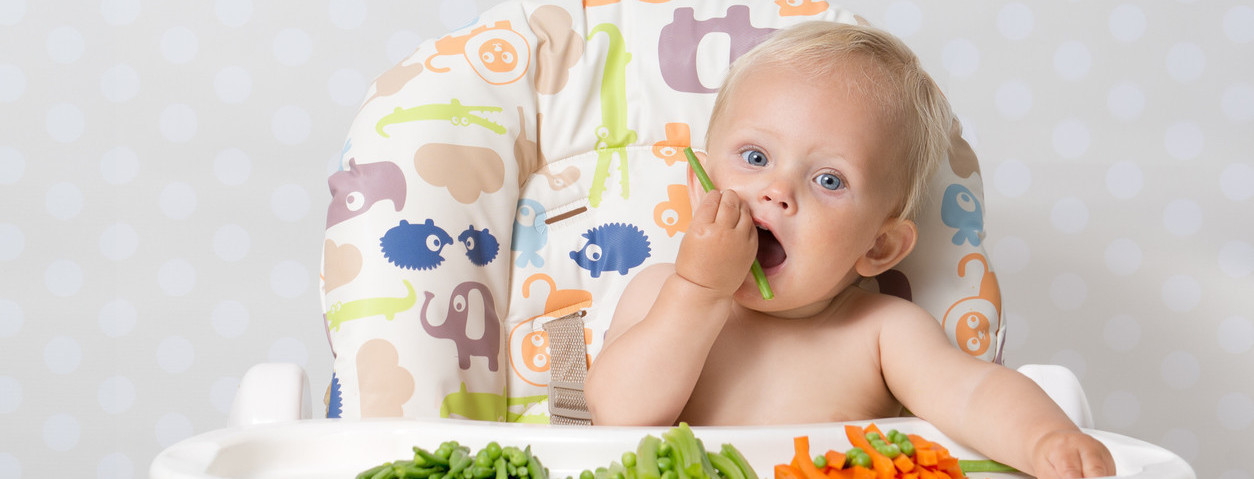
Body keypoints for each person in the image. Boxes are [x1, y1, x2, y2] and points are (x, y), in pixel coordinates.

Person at [583, 21, 1115, 479]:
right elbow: (618, 418)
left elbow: (975, 395)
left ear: (879, 247)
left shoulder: (881, 331)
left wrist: (1046, 441)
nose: (777, 190)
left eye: (829, 180)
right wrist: (698, 290)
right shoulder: (660, 293)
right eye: (754, 156)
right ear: (701, 186)